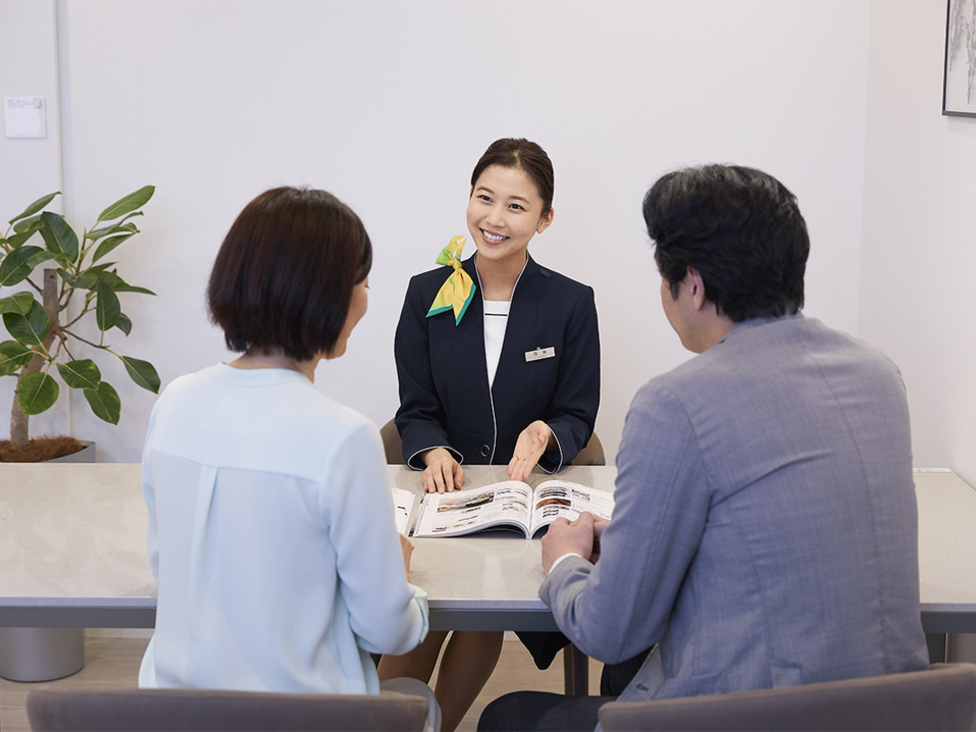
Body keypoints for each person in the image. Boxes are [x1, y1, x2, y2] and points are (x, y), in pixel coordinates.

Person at [479, 164, 930, 731]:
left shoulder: (674, 403)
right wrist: (631, 539)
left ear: (691, 286)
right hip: (895, 712)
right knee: (629, 672)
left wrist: (564, 560)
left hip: (759, 715)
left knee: (506, 716)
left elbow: (607, 631)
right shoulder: (878, 376)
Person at [138, 187, 439, 730]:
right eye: (364, 284)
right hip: (308, 717)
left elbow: (169, 570)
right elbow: (387, 630)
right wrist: (399, 577)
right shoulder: (343, 437)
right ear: (330, 297)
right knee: (420, 699)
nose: (365, 300)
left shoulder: (175, 403)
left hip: (172, 712)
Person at [379, 139, 600, 731]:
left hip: (521, 501)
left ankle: (439, 726)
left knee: (483, 610)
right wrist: (434, 450)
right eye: (485, 198)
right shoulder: (426, 292)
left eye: (516, 206)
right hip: (443, 495)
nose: (495, 218)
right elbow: (416, 405)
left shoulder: (571, 303)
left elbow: (578, 411)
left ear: (544, 219)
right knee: (424, 606)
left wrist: (547, 431)